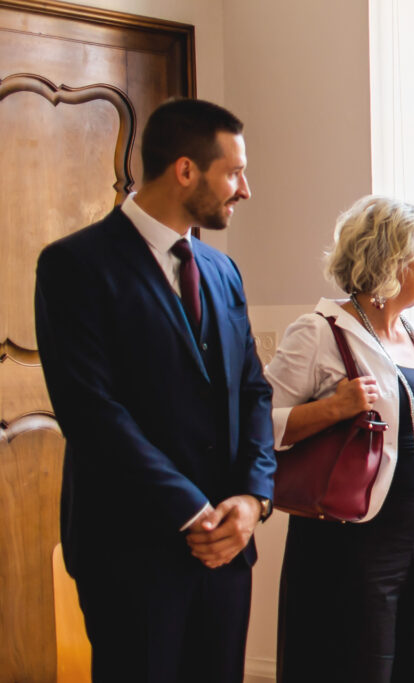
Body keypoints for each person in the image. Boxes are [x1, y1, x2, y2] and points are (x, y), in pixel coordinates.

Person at [34, 98, 276, 682]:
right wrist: (191, 512)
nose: (244, 190)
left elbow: (253, 393)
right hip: (130, 550)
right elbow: (92, 412)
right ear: (186, 170)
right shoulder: (74, 265)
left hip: (228, 548)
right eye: (234, 172)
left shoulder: (223, 271)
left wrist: (252, 499)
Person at [265, 195, 414, 682]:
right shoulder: (318, 333)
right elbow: (255, 426)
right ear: (394, 260)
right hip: (348, 547)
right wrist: (332, 409)